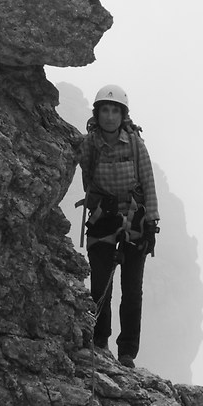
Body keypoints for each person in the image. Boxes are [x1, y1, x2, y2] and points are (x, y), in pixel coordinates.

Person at [77, 83, 158, 365]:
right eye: (105, 110)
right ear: (97, 113)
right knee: (100, 286)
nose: (109, 116)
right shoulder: (89, 145)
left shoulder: (135, 143)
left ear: (122, 115)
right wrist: (101, 203)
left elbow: (147, 182)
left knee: (132, 290)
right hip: (103, 220)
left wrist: (151, 223)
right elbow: (87, 181)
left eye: (114, 110)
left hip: (134, 221)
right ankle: (100, 341)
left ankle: (126, 352)